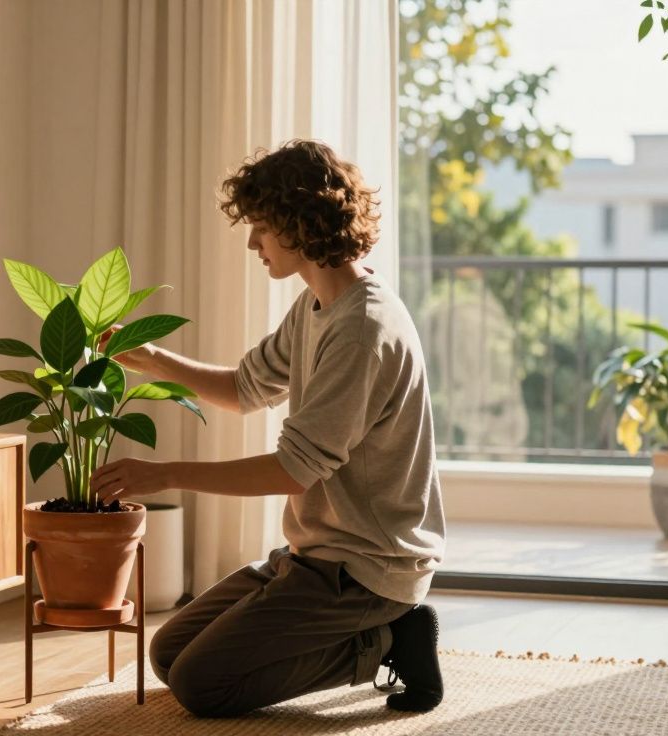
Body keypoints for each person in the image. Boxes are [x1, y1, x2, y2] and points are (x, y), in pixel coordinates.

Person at [91, 139, 446, 718]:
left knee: (203, 686)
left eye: (260, 227)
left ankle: (386, 640)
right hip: (314, 555)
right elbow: (244, 389)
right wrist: (154, 360)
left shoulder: (362, 330)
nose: (253, 243)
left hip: (367, 567)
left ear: (299, 223)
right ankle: (361, 627)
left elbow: (293, 470)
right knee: (169, 654)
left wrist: (164, 474)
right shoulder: (317, 305)